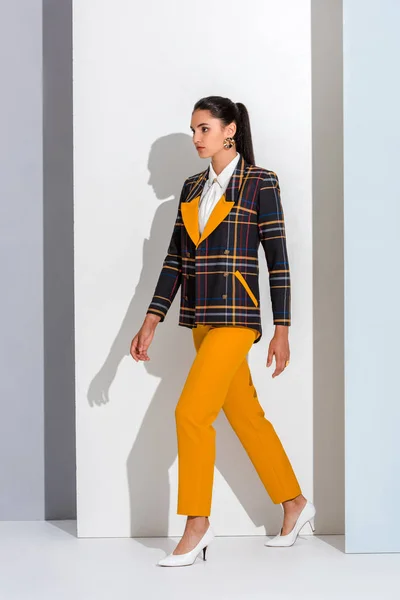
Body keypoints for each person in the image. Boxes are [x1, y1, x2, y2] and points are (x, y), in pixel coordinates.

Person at [130, 96, 316, 567]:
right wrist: (151, 319)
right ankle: (295, 503)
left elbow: (278, 259)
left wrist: (283, 328)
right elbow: (174, 261)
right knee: (246, 417)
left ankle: (197, 524)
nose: (196, 137)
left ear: (229, 129)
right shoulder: (192, 188)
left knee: (191, 413)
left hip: (238, 319)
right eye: (193, 129)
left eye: (204, 128)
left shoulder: (260, 182)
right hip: (201, 319)